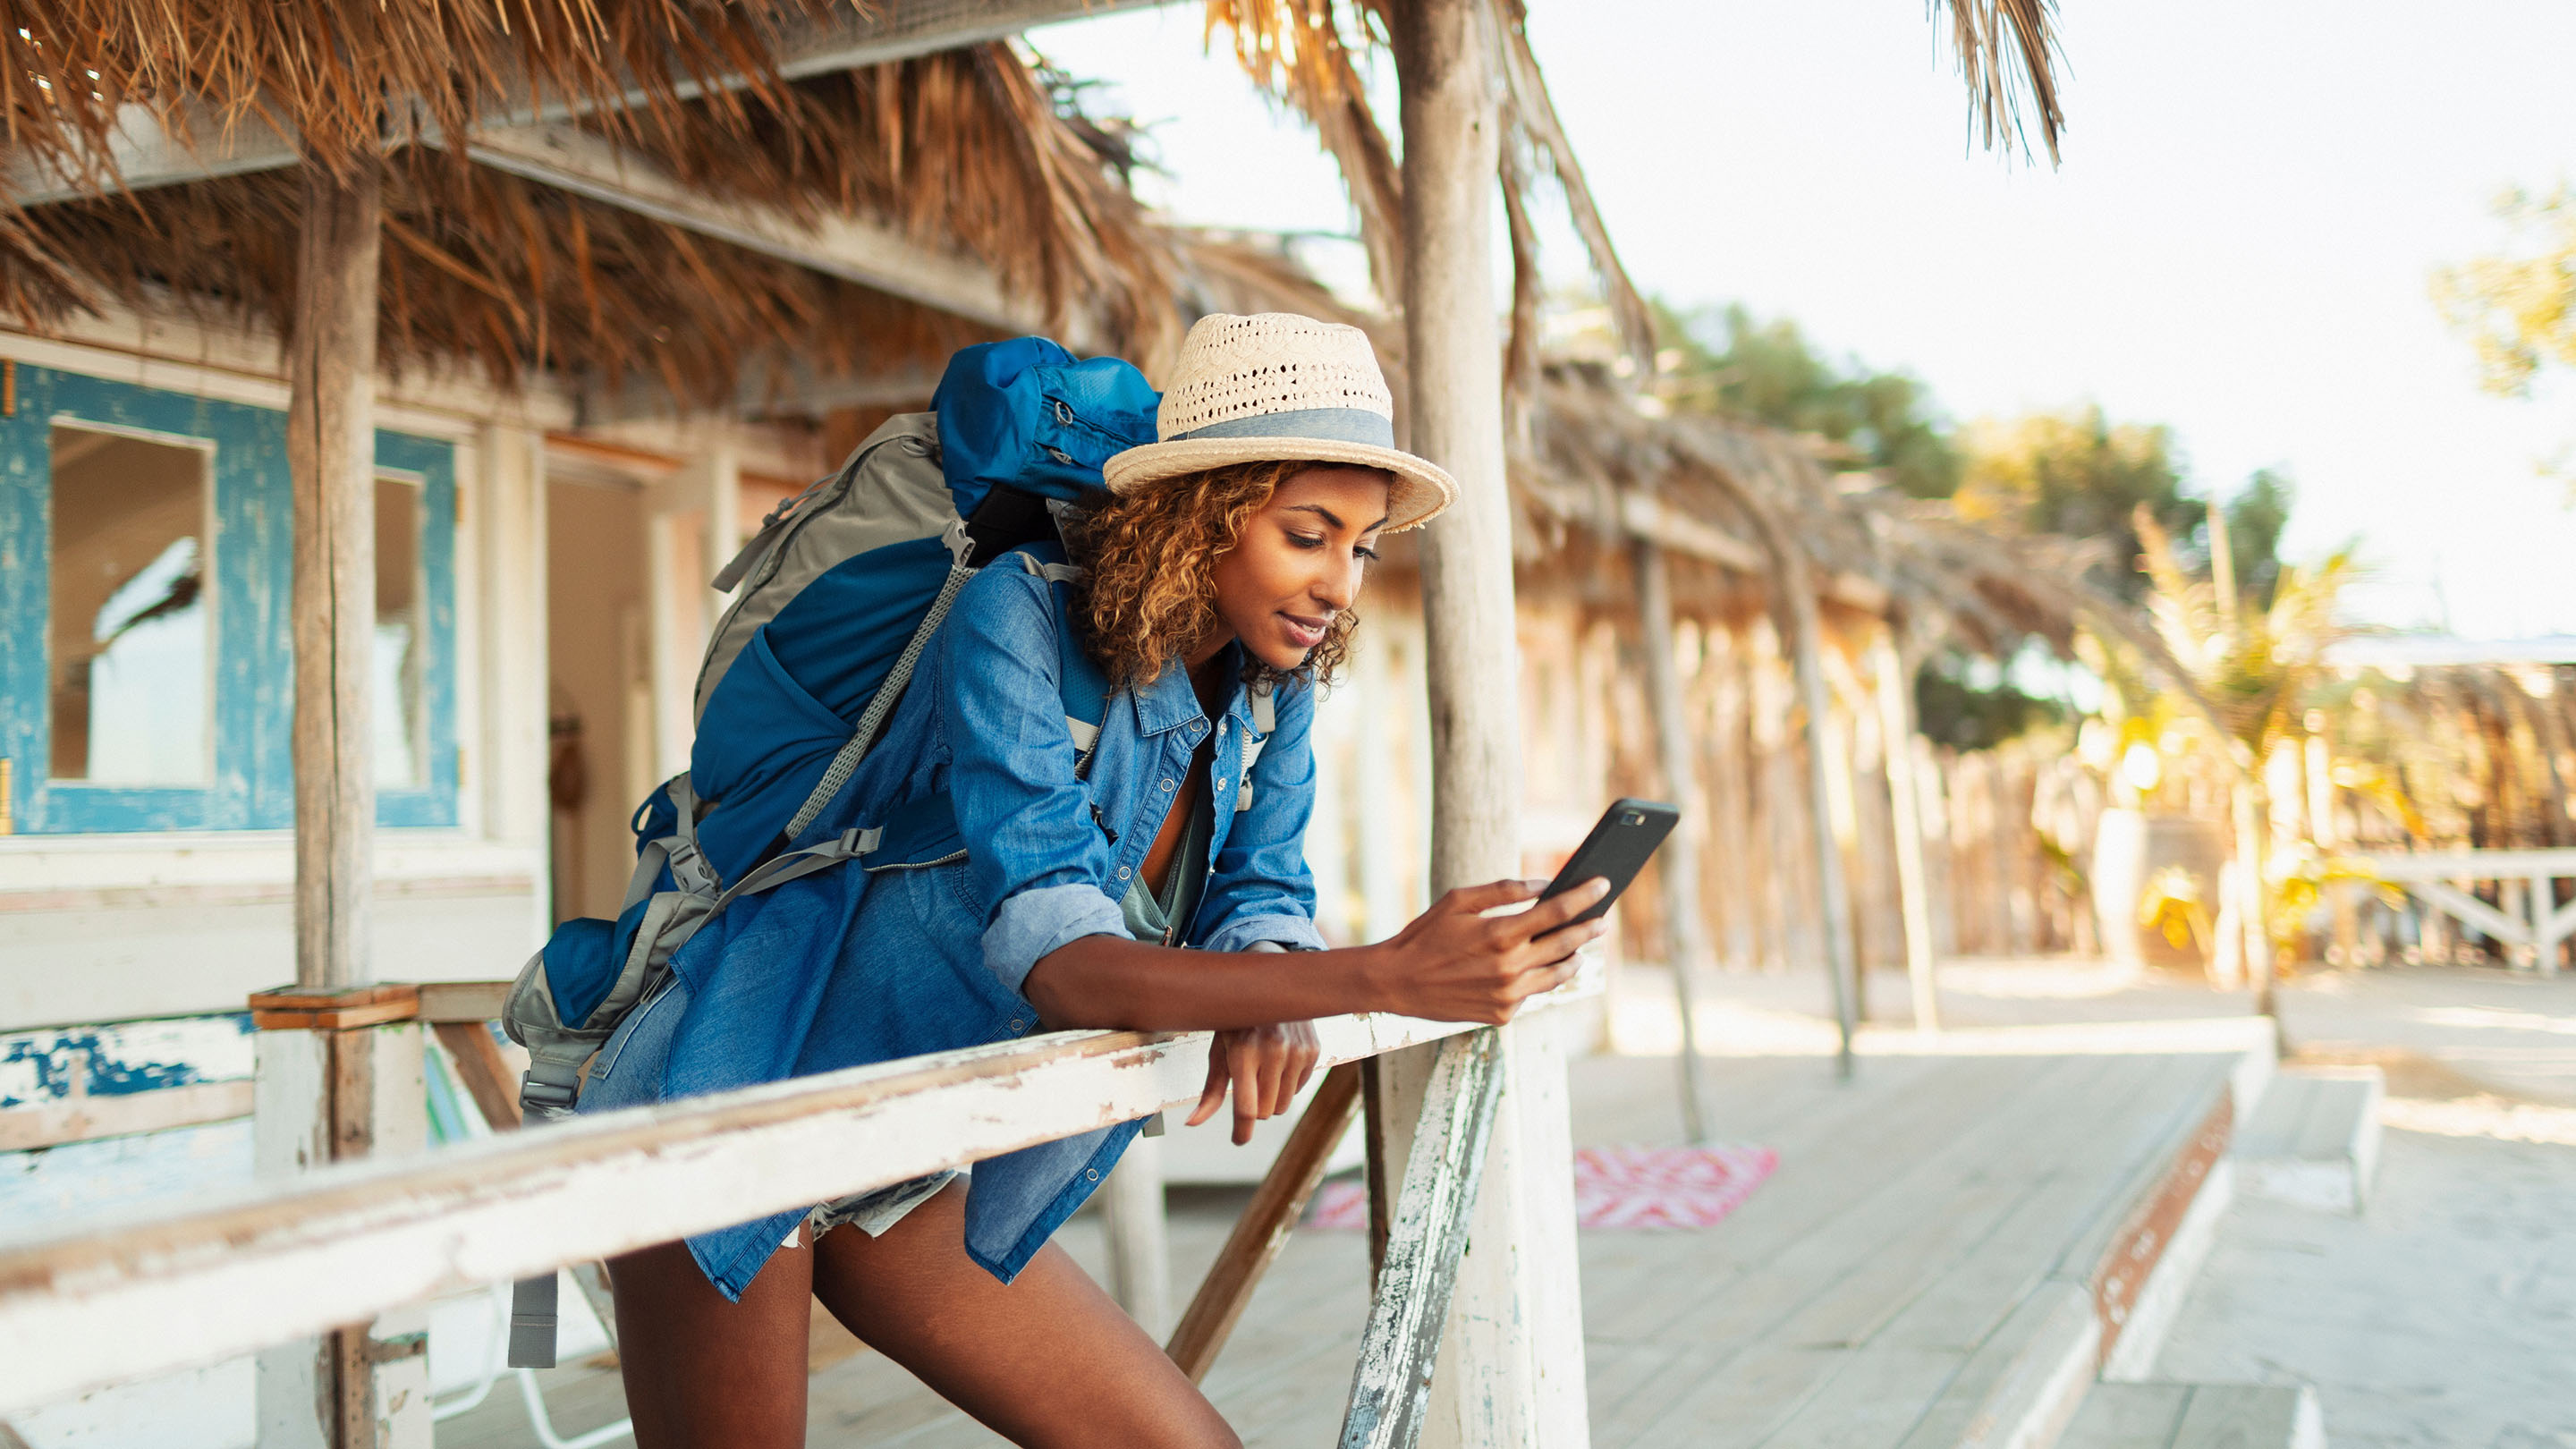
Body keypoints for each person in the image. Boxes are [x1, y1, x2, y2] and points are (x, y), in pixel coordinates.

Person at [586, 312, 1609, 1448]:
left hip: (904, 1145)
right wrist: (1382, 977)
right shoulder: (1014, 611)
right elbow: (1063, 962)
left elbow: (1263, 887)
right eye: (1307, 534)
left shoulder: (1278, 684)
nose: (1337, 585)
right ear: (1203, 515)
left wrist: (1270, 970)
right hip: (733, 1090)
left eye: (1361, 548)